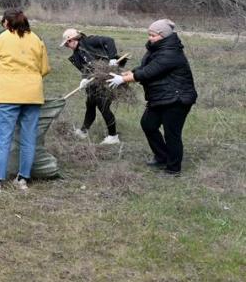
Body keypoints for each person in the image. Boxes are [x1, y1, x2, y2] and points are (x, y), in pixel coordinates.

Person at [108, 19, 197, 176]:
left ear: (163, 36)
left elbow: (150, 72)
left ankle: (173, 169)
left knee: (172, 134)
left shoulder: (171, 52)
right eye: (149, 34)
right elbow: (146, 67)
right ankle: (162, 157)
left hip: (178, 98)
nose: (150, 38)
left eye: (153, 35)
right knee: (148, 124)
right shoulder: (157, 49)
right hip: (161, 96)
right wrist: (128, 73)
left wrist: (124, 79)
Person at [0, 9, 50, 193]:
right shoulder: (37, 38)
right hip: (33, 94)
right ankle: (22, 179)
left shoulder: (0, 38)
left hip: (8, 93)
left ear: (7, 22)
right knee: (29, 138)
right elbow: (44, 68)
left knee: (3, 138)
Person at [61, 28, 121, 145]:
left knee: (103, 106)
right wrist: (84, 79)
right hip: (94, 80)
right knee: (90, 103)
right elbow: (85, 68)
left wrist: (113, 58)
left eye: (67, 43)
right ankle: (83, 131)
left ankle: (113, 136)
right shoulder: (76, 54)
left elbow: (109, 40)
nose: (66, 46)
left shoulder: (89, 41)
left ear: (73, 39)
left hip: (107, 77)